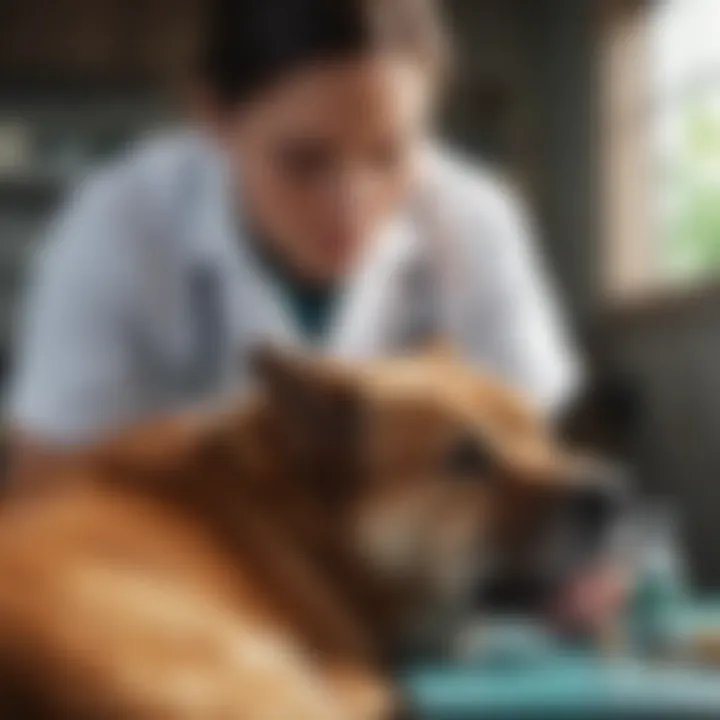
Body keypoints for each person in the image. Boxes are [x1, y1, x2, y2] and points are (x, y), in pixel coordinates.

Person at [6, 0, 623, 635]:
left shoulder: (474, 221)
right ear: (214, 117)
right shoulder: (118, 225)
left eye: (389, 155)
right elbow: (51, 504)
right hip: (182, 600)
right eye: (303, 162)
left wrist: (559, 571)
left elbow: (530, 467)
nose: (350, 207)